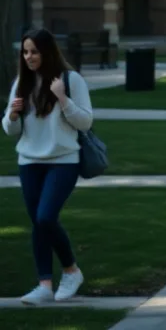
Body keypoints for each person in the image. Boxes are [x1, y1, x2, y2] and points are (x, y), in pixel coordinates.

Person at [4, 29, 93, 305]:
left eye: (34, 51)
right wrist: (13, 115)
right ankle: (44, 284)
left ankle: (71, 271)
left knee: (45, 218)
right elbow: (9, 129)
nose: (29, 57)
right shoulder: (22, 82)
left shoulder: (70, 80)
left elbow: (86, 122)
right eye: (25, 52)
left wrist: (63, 99)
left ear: (47, 52)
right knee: (39, 224)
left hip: (63, 160)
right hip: (29, 162)